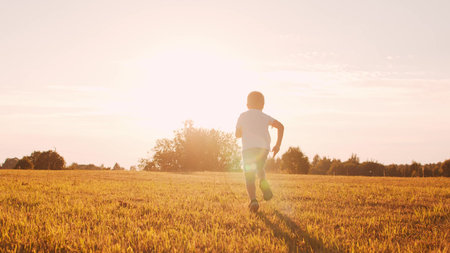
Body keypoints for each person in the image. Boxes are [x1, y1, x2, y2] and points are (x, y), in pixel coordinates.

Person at [235, 91, 284, 212]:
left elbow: (237, 134)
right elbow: (281, 126)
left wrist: (243, 131)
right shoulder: (264, 116)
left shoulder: (242, 116)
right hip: (263, 148)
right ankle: (263, 182)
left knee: (249, 175)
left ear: (247, 104)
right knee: (259, 168)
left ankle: (253, 200)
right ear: (262, 104)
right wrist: (277, 145)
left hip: (248, 149)